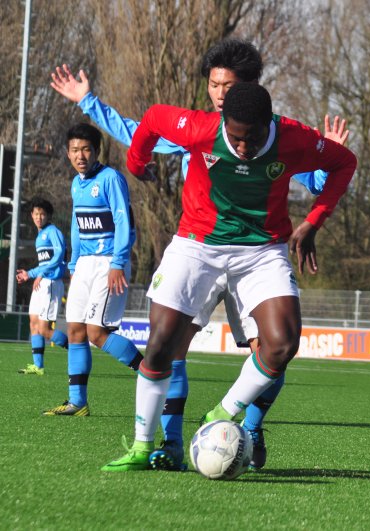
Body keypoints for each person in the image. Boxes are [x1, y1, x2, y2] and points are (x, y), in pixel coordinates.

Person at [50, 39, 348, 470]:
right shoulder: (202, 128)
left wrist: (316, 208)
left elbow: (325, 172)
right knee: (167, 344)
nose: (220, 93)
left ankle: (246, 422)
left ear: (252, 93)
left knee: (275, 347)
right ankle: (162, 443)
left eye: (229, 85)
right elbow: (142, 127)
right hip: (199, 247)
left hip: (259, 252)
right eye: (214, 85)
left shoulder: (282, 136)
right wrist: (98, 114)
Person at [42, 123, 143, 416]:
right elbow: (76, 223)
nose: (80, 155)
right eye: (74, 150)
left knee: (96, 333)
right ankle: (78, 402)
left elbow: (124, 222)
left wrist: (118, 261)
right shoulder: (76, 183)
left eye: (86, 149)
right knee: (74, 330)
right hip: (84, 265)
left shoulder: (111, 179)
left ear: (96, 151)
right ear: (68, 153)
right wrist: (73, 264)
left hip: (109, 261)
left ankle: (150, 373)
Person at [16, 197, 69, 375]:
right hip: (42, 282)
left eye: (42, 214)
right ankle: (38, 366)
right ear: (32, 215)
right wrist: (31, 274)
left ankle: (77, 349)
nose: (39, 217)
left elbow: (59, 255)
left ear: (48, 216)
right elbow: (45, 263)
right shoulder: (40, 237)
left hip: (51, 283)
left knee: (45, 330)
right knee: (33, 323)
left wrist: (37, 274)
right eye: (36, 214)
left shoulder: (53, 231)